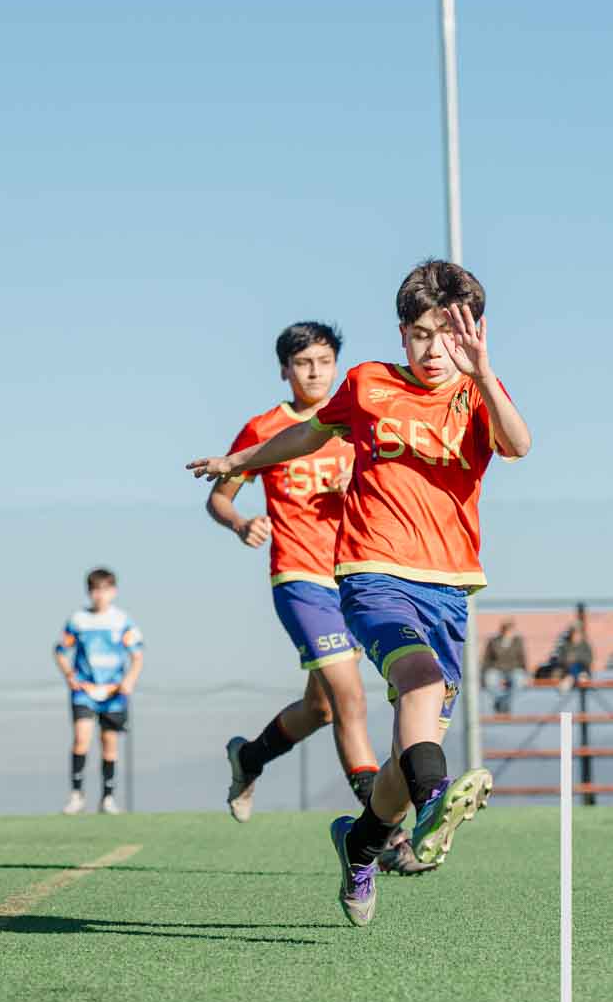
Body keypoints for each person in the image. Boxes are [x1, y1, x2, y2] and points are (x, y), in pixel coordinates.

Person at [189, 259, 530, 926]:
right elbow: (308, 432)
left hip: (449, 588)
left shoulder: (477, 395)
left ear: (473, 334)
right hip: (371, 575)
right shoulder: (369, 383)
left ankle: (361, 842)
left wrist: (485, 374)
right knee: (415, 684)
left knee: (406, 751)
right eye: (421, 335)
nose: (433, 350)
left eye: (448, 336)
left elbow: (517, 445)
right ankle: (434, 802)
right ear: (402, 334)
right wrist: (238, 462)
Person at [203, 322, 416, 869]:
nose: (315, 372)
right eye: (303, 363)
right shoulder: (266, 428)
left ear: (336, 363)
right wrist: (241, 522)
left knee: (320, 708)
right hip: (299, 580)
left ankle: (249, 757)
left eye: (324, 361)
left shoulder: (354, 419)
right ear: (285, 370)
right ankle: (385, 836)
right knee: (351, 699)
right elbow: (220, 496)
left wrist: (360, 488)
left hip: (354, 576)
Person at [54, 569, 143, 815]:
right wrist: (70, 675)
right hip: (85, 691)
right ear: (88, 592)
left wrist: (129, 681)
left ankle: (108, 797)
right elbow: (60, 650)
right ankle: (76, 795)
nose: (99, 595)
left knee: (109, 743)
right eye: (94, 590)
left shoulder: (122, 620)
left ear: (113, 591)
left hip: (113, 692)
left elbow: (137, 655)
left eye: (104, 590)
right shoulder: (78, 620)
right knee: (81, 739)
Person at [481, 619, 527, 713]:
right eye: (507, 630)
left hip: (513, 668)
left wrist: (526, 673)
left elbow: (522, 657)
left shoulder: (518, 641)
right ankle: (502, 701)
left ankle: (503, 703)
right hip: (496, 668)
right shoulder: (493, 641)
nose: (509, 633)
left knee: (519, 681)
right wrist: (483, 673)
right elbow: (486, 659)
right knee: (490, 680)